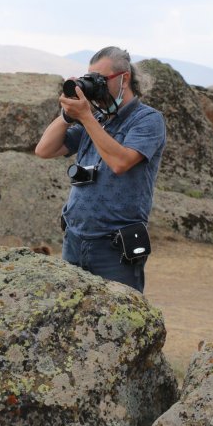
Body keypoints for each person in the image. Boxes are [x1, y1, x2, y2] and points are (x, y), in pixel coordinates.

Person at [35, 46, 166, 292]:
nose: (96, 86)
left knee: (118, 315)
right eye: (91, 79)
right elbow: (44, 150)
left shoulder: (147, 120)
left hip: (115, 249)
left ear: (124, 79)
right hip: (74, 240)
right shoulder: (97, 120)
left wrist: (86, 117)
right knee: (71, 314)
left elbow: (120, 162)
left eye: (101, 80)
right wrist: (67, 116)